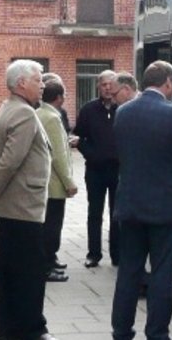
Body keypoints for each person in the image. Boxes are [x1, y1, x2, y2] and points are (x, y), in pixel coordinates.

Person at [111, 62, 172, 340]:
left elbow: (122, 155)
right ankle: (157, 333)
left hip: (130, 205)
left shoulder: (123, 112)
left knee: (129, 271)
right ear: (169, 82)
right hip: (165, 208)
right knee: (162, 273)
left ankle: (121, 330)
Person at [0, 60, 56, 340]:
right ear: (21, 83)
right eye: (38, 79)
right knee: (28, 272)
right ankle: (31, 330)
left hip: (9, 205)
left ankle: (10, 328)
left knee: (8, 272)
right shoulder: (24, 113)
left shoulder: (7, 107)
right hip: (22, 207)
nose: (42, 84)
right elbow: (9, 162)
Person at [73, 69, 120, 267]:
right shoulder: (88, 110)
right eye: (104, 84)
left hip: (119, 169)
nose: (108, 88)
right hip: (95, 170)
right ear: (98, 87)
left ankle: (118, 254)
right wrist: (89, 152)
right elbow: (78, 138)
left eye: (111, 84)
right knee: (95, 213)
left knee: (117, 213)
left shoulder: (124, 109)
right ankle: (94, 254)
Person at [37, 77, 78, 283]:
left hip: (46, 182)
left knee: (48, 225)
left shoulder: (40, 113)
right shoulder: (52, 118)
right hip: (54, 183)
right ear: (59, 98)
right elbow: (58, 155)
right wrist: (69, 182)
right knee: (52, 227)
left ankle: (49, 261)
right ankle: (46, 268)